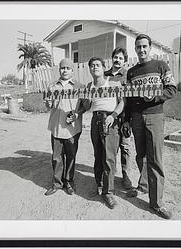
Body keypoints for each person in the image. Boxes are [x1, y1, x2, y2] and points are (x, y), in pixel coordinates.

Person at [123, 34, 177, 219]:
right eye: (138, 47)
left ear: (150, 47)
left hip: (155, 117)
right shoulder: (131, 72)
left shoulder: (161, 66)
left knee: (155, 159)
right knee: (141, 156)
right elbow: (128, 99)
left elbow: (171, 88)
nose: (142, 50)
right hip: (137, 118)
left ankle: (156, 203)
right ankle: (144, 185)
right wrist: (127, 119)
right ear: (135, 49)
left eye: (144, 46)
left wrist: (154, 97)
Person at [86, 57, 125, 209]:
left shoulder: (113, 82)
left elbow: (122, 102)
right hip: (95, 121)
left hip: (110, 120)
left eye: (97, 65)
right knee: (98, 155)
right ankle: (99, 184)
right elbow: (87, 106)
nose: (95, 67)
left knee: (109, 157)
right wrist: (86, 99)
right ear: (89, 69)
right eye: (92, 65)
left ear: (103, 68)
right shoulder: (89, 86)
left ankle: (109, 192)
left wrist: (113, 116)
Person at [44, 58, 86, 196]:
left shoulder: (79, 86)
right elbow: (48, 105)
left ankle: (69, 182)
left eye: (68, 68)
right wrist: (48, 103)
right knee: (57, 157)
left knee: (71, 156)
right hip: (56, 127)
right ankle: (57, 183)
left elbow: (85, 106)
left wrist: (77, 114)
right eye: (62, 68)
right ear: (59, 70)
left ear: (72, 70)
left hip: (72, 129)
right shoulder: (52, 87)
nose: (65, 71)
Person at [104, 47, 133, 190]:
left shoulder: (128, 75)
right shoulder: (105, 75)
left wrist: (128, 119)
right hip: (109, 117)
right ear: (112, 58)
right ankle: (110, 175)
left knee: (125, 146)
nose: (117, 60)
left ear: (124, 61)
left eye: (121, 58)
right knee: (111, 148)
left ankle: (126, 175)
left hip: (125, 116)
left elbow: (129, 98)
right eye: (116, 57)